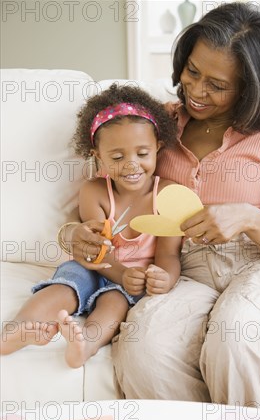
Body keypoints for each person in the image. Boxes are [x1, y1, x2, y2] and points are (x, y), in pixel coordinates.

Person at [56, 2, 260, 404]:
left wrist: (248, 217)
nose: (197, 91)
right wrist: (72, 235)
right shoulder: (158, 125)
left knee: (236, 335)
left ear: (250, 87)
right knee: (142, 351)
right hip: (185, 268)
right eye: (192, 71)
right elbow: (107, 193)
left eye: (217, 85)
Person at [0, 84, 182, 368]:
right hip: (92, 265)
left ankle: (84, 344)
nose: (131, 165)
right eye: (118, 157)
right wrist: (120, 272)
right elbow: (96, 251)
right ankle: (17, 330)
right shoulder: (94, 192)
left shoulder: (168, 195)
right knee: (65, 286)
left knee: (115, 303)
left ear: (158, 146)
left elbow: (168, 255)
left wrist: (165, 278)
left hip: (131, 280)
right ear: (97, 154)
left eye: (142, 154)